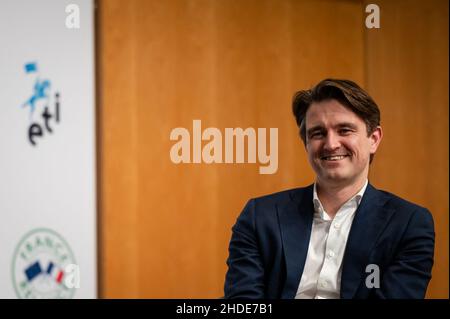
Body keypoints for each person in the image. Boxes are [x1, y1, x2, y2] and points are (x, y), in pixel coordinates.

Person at [224, 79, 435, 299]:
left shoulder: (409, 224)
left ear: (373, 139)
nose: (331, 144)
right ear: (306, 144)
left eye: (344, 130)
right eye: (317, 133)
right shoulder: (259, 216)